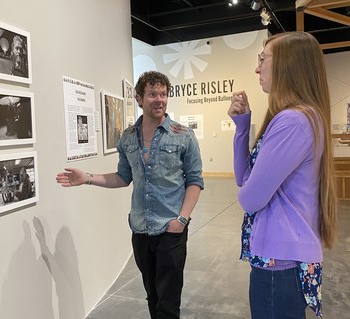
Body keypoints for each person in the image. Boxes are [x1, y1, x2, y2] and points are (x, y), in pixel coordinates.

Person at [56, 71, 204, 319]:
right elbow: (123, 178)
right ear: (139, 98)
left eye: (164, 94)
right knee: (152, 296)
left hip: (171, 230)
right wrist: (88, 178)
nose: (159, 100)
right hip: (140, 231)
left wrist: (182, 220)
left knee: (168, 303)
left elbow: (195, 181)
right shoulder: (127, 138)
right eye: (152, 94)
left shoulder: (183, 135)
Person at [228, 31, 337, 319]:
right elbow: (244, 179)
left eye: (263, 59)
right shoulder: (301, 117)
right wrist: (242, 127)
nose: (257, 67)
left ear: (289, 64)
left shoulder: (293, 121)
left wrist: (249, 187)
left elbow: (249, 198)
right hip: (284, 258)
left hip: (280, 263)